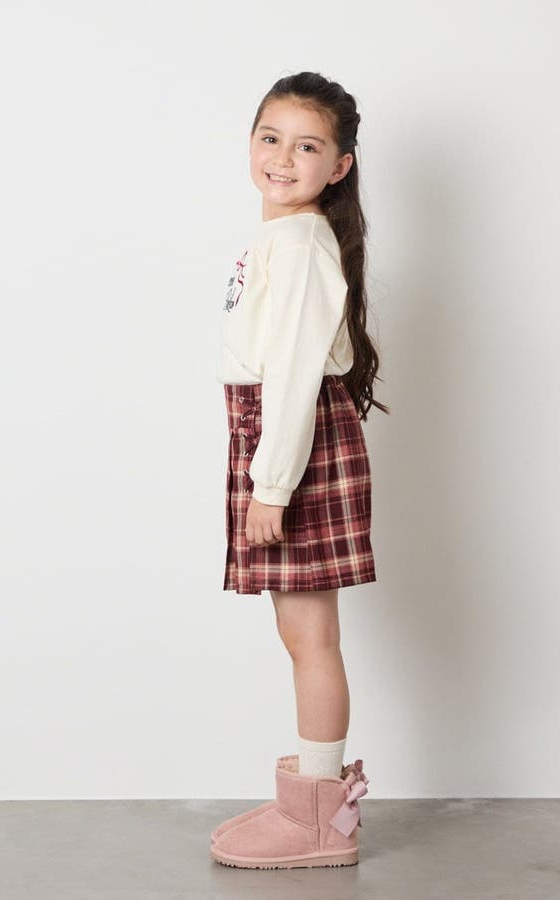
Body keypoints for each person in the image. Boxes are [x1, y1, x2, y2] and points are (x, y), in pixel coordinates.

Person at [211, 71, 390, 869]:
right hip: (278, 434)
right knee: (301, 633)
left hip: (293, 442)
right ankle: (312, 801)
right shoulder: (283, 239)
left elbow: (290, 377)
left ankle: (319, 821)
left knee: (311, 636)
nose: (283, 157)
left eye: (307, 146)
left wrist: (271, 485)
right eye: (270, 137)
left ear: (339, 166)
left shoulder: (301, 245)